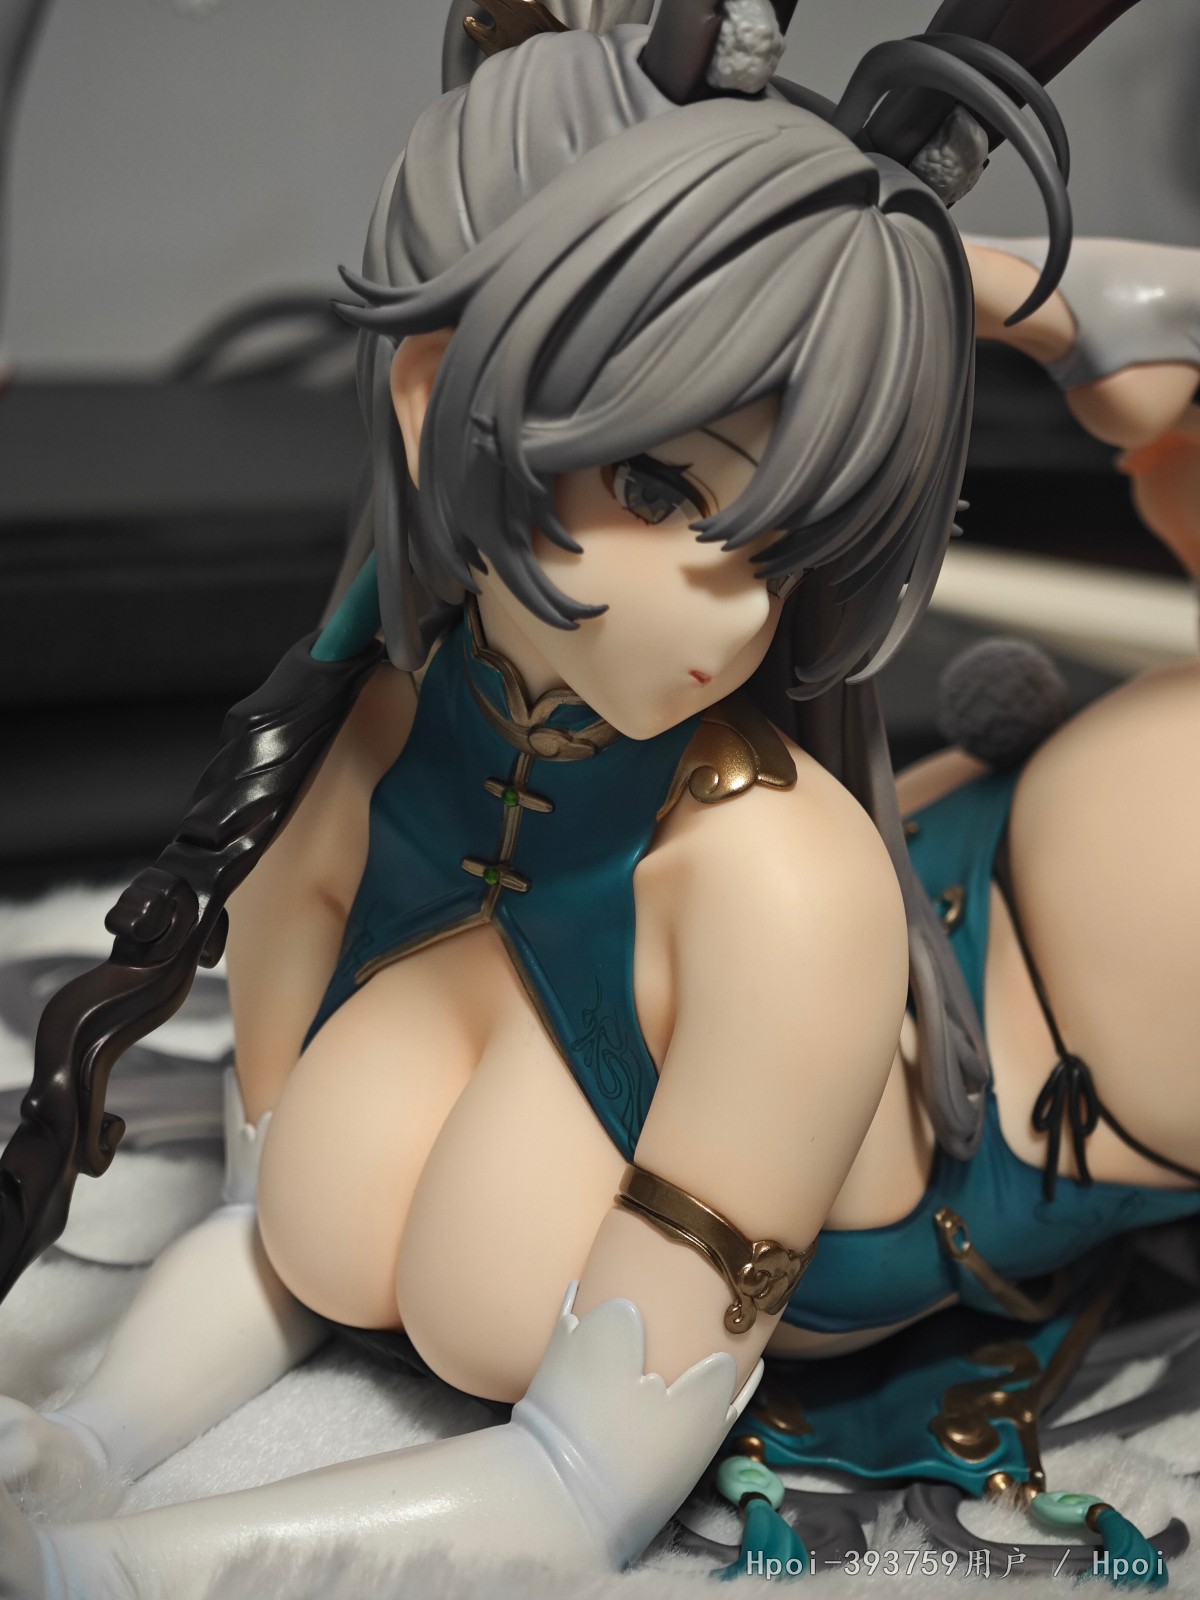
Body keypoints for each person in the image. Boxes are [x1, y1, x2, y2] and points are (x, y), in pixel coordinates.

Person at [0, 8, 1196, 1596]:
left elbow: (582, 1483)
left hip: (1100, 996)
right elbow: (265, 1236)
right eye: (655, 488)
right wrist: (73, 1445)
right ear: (438, 393)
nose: (735, 611)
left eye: (788, 545)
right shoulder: (367, 745)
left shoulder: (782, 886)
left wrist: (89, 1571)